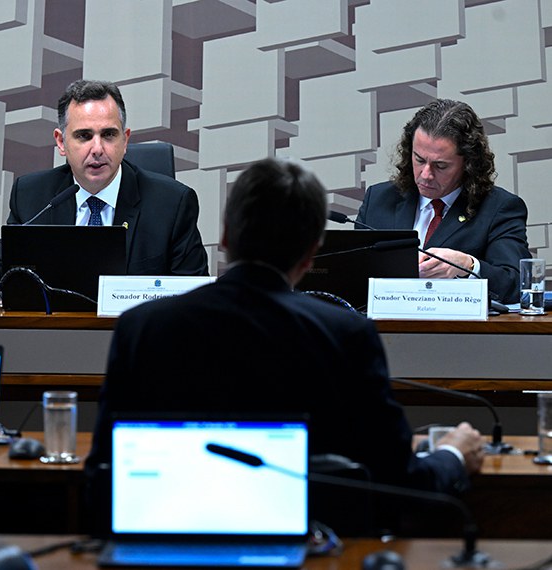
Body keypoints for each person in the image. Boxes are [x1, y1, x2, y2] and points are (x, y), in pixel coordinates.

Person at [86, 158, 484, 506]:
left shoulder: (142, 327)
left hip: (166, 544)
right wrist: (451, 455)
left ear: (224, 237)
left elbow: (101, 473)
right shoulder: (345, 335)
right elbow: (398, 484)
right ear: (313, 252)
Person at [0, 79, 208, 299]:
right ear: (61, 142)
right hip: (54, 346)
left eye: (108, 135)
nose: (97, 149)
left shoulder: (172, 203)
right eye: (84, 136)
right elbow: (2, 293)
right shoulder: (33, 195)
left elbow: (196, 300)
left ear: (125, 140)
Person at [357, 98, 530, 304]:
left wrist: (469, 266)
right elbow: (353, 275)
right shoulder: (378, 199)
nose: (426, 174)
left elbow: (516, 285)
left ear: (468, 164)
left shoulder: (499, 208)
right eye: (419, 160)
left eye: (440, 166)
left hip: (458, 334)